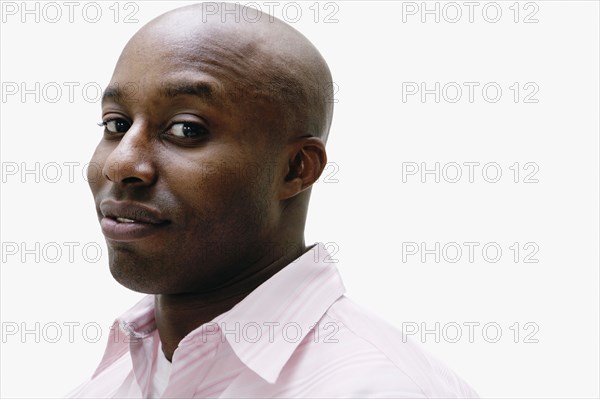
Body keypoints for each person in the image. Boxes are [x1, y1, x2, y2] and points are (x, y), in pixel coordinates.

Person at [68, 2, 479, 398]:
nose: (121, 163)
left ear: (296, 169)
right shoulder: (106, 386)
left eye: (187, 129)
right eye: (116, 124)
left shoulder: (382, 387)